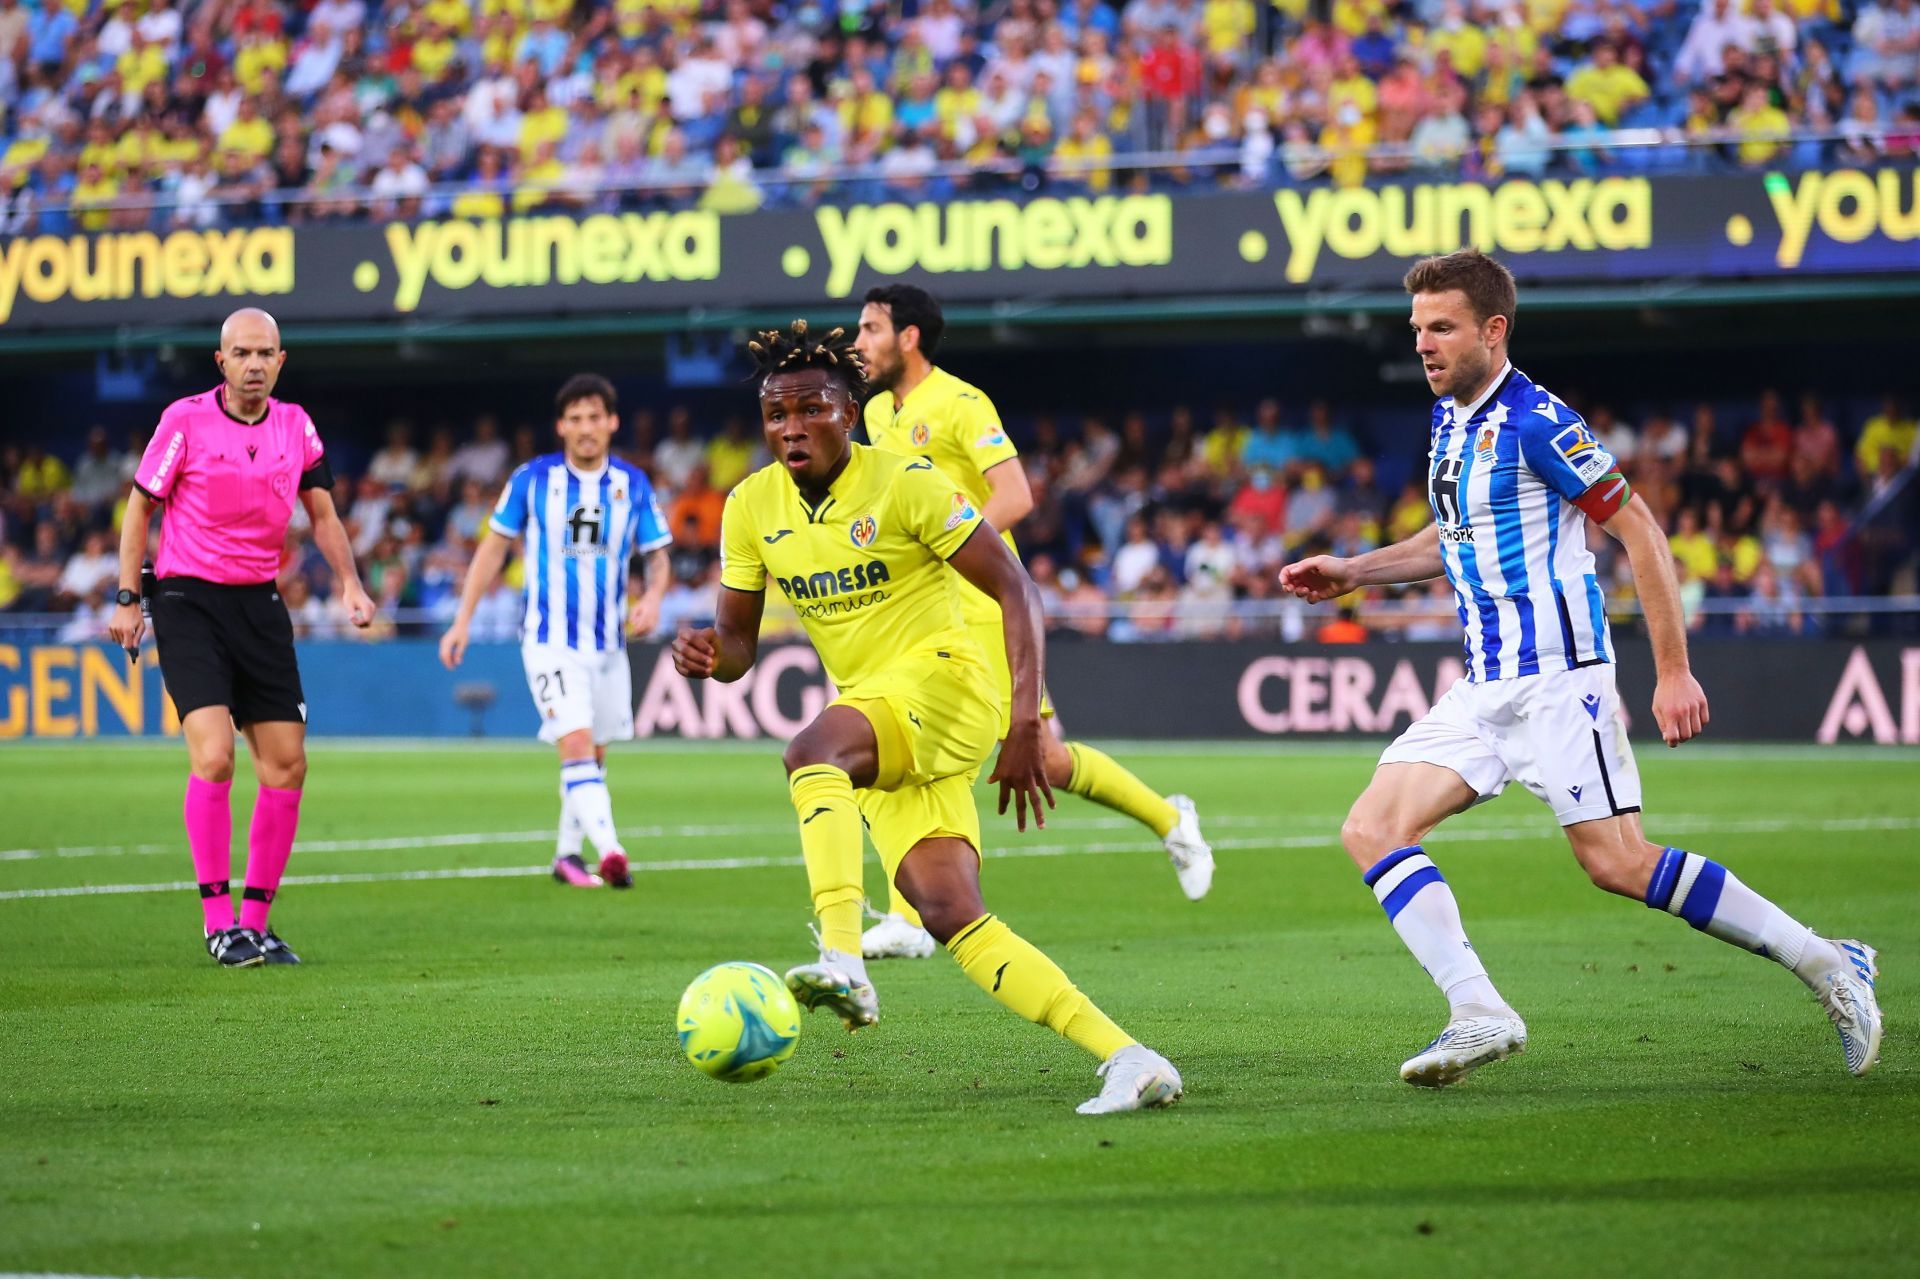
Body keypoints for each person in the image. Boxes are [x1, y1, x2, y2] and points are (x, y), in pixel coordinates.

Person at [1278, 250, 1881, 1086]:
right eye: (1417, 329)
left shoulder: (1538, 420)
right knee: (1371, 828)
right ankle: (1479, 1011)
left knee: (1618, 863)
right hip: (1484, 684)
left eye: (1442, 327)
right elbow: (1449, 538)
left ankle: (1829, 962)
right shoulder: (1451, 416)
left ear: (1494, 330)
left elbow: (1641, 531)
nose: (1423, 344)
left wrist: (1673, 670)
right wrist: (1353, 569)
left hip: (1560, 678)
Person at [672, 321, 1181, 1115]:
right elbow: (737, 640)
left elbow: (1018, 588)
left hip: (949, 686)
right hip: (883, 718)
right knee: (949, 912)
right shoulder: (750, 505)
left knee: (811, 752)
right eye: (777, 414)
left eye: (812, 408)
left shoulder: (906, 481)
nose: (791, 427)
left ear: (851, 411)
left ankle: (842, 958)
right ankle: (1130, 1056)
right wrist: (712, 657)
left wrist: (1023, 723)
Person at [852, 284, 1214, 962]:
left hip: (985, 602)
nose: (857, 341)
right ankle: (909, 912)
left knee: (1026, 754)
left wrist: (948, 543)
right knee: (940, 737)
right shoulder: (874, 413)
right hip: (922, 606)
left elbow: (1015, 494)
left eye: (870, 328)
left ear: (909, 337)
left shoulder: (961, 403)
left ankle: (1172, 819)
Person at [106, 308, 374, 968]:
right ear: (220, 361)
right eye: (242, 353)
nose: (254, 364)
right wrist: (126, 598)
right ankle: (216, 920)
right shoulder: (184, 420)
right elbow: (142, 503)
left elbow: (323, 513)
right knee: (216, 754)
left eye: (266, 353)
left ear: (281, 361)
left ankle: (255, 922)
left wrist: (351, 585)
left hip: (259, 603)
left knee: (287, 763)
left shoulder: (297, 426)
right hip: (187, 599)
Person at [440, 374, 671, 889]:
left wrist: (654, 596)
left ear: (612, 423)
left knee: (596, 753)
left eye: (595, 418)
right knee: (577, 742)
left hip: (608, 644)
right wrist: (462, 620)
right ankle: (611, 851)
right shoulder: (532, 479)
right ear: (561, 426)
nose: (586, 428)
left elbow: (658, 557)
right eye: (576, 419)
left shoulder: (632, 483)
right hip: (549, 640)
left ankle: (567, 856)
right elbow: (493, 549)